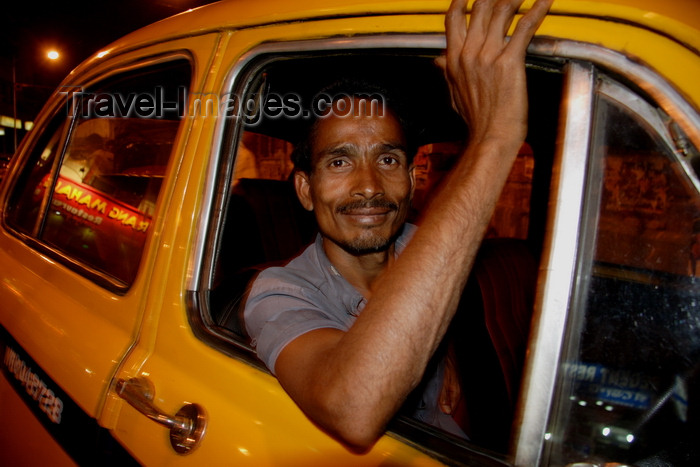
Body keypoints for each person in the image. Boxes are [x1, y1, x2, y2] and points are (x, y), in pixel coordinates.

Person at [243, 0, 554, 452]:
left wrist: (440, 349)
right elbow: (352, 407)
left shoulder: (425, 248)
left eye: (387, 159)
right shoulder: (278, 292)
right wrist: (494, 136)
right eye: (340, 160)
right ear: (306, 190)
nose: (368, 186)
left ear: (411, 179)